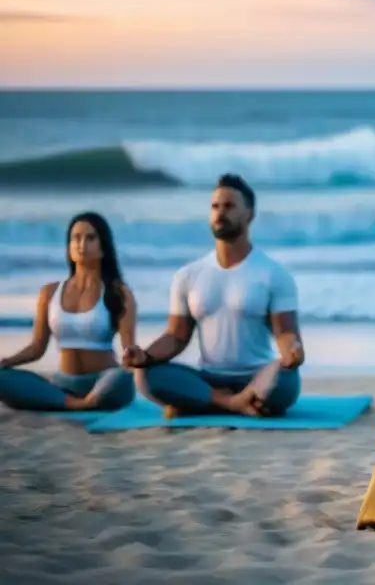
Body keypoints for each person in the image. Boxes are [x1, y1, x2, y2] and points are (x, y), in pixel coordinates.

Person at [122, 174, 303, 418]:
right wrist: (145, 355)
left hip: (258, 377)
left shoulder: (273, 274)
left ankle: (203, 402)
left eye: (229, 206)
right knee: (145, 375)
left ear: (249, 214)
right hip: (208, 379)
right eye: (215, 206)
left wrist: (292, 350)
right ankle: (234, 403)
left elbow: (285, 332)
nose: (220, 212)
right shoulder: (188, 275)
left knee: (284, 378)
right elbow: (176, 336)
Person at [0, 212, 136, 412]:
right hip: (63, 384)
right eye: (76, 238)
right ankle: (79, 403)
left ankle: (78, 401)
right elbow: (37, 347)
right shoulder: (50, 292)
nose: (82, 245)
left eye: (90, 238)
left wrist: (136, 361)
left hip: (104, 381)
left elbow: (128, 351)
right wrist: (8, 361)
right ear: (69, 246)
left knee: (122, 377)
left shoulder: (119, 292)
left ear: (103, 247)